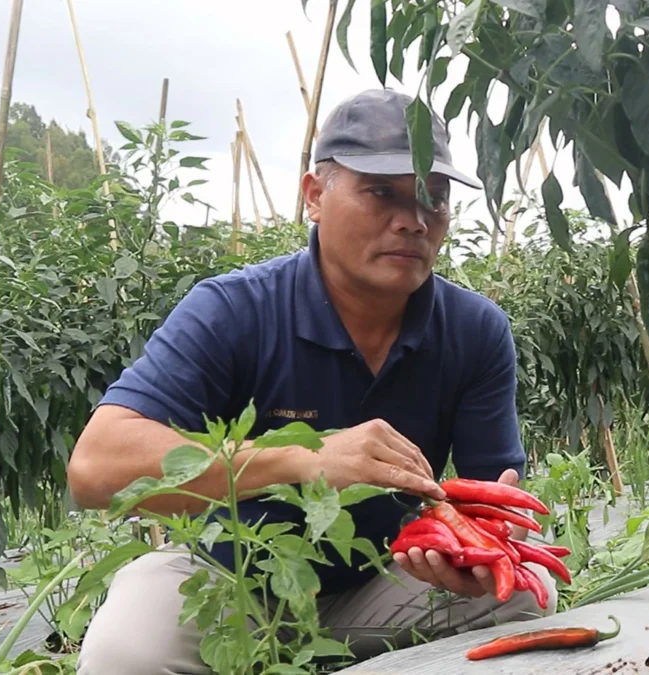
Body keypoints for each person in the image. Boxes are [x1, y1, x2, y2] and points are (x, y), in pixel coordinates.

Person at [68, 88, 557, 674]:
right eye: (382, 192)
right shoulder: (233, 310)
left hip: (379, 582)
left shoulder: (475, 330)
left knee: (523, 596)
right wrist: (306, 457)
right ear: (315, 196)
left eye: (434, 197)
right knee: (128, 651)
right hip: (231, 579)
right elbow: (95, 470)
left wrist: (462, 549)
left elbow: (481, 501)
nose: (413, 220)